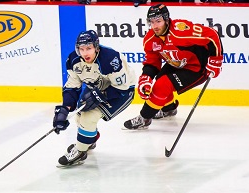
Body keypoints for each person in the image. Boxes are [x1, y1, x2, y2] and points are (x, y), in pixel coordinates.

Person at [123, 4, 223, 130]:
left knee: (163, 84)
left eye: (158, 21)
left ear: (166, 19)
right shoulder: (150, 39)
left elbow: (212, 35)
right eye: (152, 22)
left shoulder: (181, 31)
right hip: (178, 63)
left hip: (197, 67)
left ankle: (144, 118)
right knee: (159, 80)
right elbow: (153, 61)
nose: (155, 26)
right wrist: (146, 77)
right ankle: (169, 109)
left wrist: (216, 58)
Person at [53, 30, 136, 166]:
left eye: (89, 48)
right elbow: (72, 88)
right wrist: (64, 110)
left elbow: (122, 87)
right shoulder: (73, 60)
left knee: (88, 117)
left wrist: (100, 95)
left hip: (122, 91)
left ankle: (80, 152)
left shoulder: (110, 59)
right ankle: (88, 141)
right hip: (98, 88)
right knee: (79, 116)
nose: (85, 53)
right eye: (82, 48)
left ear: (96, 47)